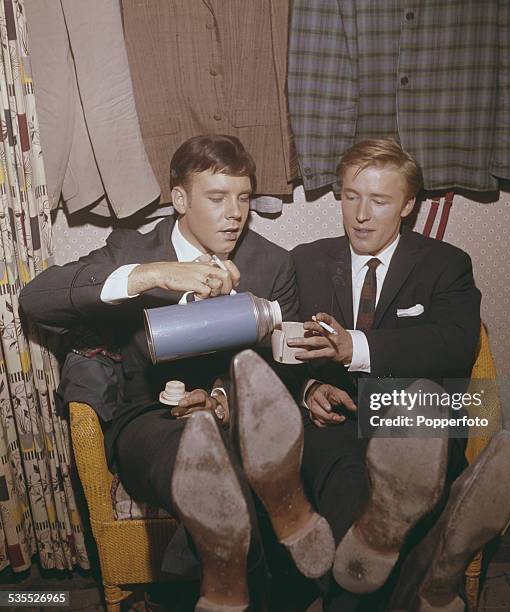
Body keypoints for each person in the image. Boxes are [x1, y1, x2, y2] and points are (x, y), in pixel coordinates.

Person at [19, 135, 334, 611]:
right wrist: (151, 274)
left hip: (233, 420)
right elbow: (36, 300)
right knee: (201, 460)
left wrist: (223, 401)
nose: (235, 213)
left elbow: (280, 371)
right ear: (181, 199)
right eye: (217, 198)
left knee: (233, 453)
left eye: (243, 198)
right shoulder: (133, 247)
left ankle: (221, 589)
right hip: (150, 419)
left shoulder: (270, 264)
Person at [289, 139, 510, 611]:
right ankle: (421, 578)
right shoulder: (306, 260)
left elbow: (456, 347)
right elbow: (278, 347)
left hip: (418, 427)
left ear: (408, 205)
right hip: (339, 426)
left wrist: (357, 346)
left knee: (423, 423)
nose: (361, 215)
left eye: (379, 200)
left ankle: (363, 581)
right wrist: (309, 387)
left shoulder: (445, 265)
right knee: (350, 489)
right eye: (351, 196)